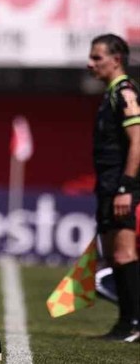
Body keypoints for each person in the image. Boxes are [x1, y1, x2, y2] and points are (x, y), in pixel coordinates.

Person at [87, 33, 140, 342]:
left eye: (97, 57)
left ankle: (134, 323)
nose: (90, 63)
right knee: (112, 255)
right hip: (107, 184)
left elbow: (137, 142)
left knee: (124, 254)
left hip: (121, 186)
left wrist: (126, 188)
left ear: (116, 60)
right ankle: (125, 323)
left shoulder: (125, 93)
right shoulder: (110, 94)